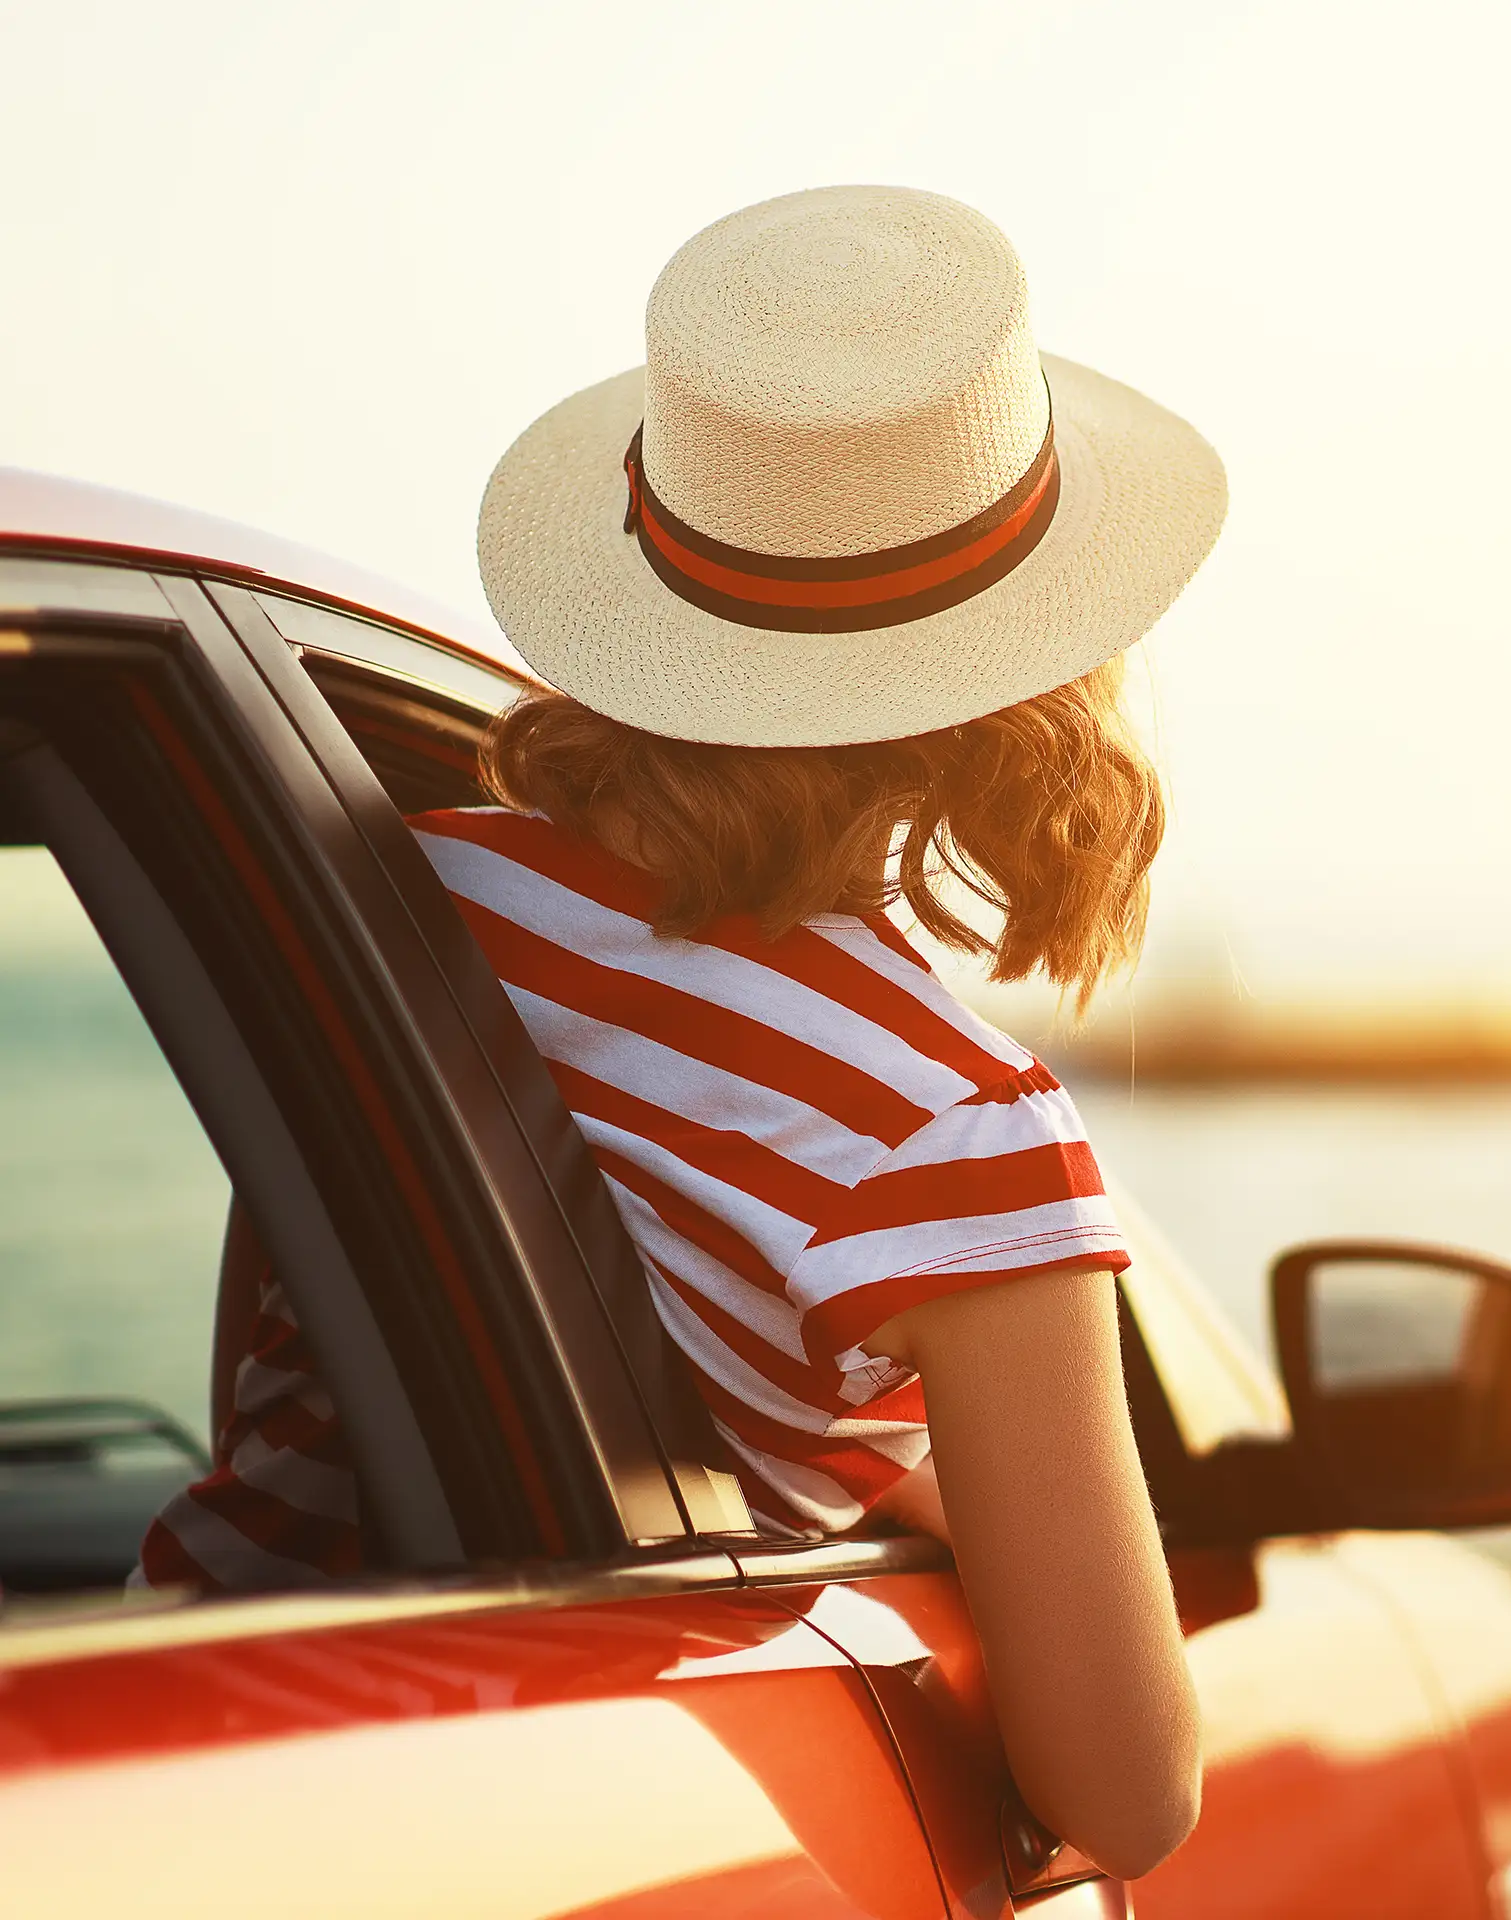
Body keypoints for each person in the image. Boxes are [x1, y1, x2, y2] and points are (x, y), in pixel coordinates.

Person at [143, 184, 1227, 1881]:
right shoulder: (945, 1123)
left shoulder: (381, 897)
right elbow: (1124, 1794)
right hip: (544, 1842)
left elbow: (303, 1363)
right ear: (1039, 666)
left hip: (194, 1752)